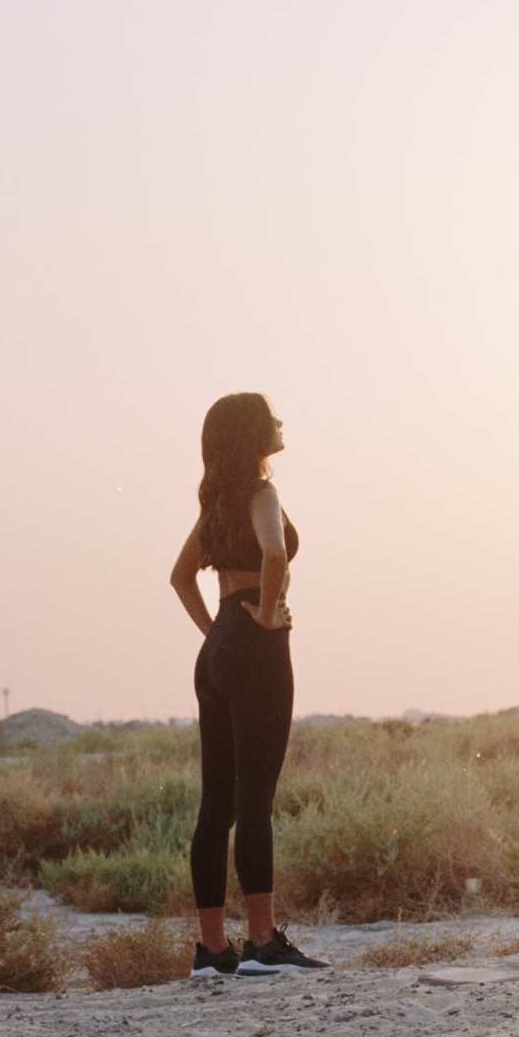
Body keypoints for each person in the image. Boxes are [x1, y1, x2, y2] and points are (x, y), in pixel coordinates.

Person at [168, 393, 327, 977]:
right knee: (255, 799)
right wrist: (262, 614)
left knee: (216, 804)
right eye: (270, 417)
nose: (280, 423)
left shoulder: (215, 506)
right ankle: (262, 943)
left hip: (216, 651)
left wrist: (218, 633)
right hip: (256, 648)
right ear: (250, 434)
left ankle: (212, 951)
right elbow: (274, 554)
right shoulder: (262, 493)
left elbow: (180, 577)